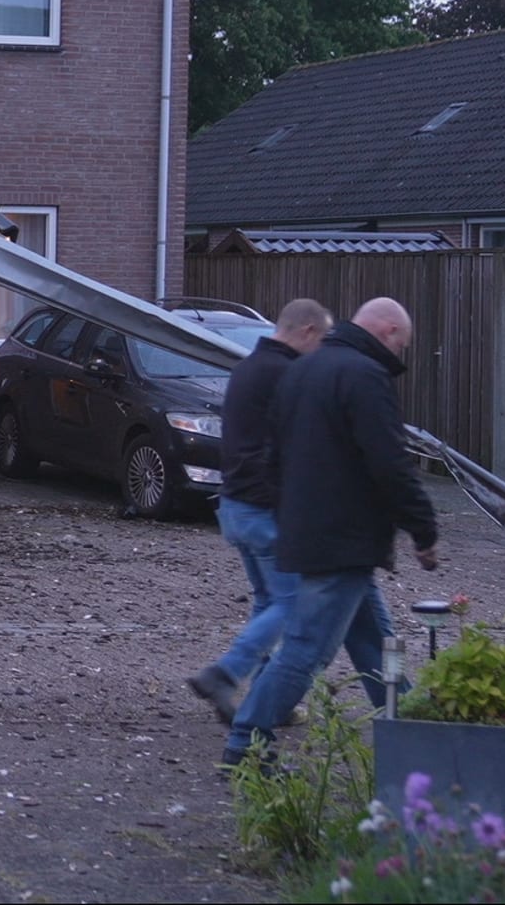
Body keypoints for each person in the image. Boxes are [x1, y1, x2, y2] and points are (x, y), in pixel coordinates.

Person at [220, 297, 441, 769]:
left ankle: (408, 730)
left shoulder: (300, 371)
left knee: (372, 641)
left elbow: (272, 455)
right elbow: (389, 461)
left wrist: (292, 514)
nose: (400, 352)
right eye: (401, 342)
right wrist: (423, 528)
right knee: (306, 648)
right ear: (386, 332)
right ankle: (245, 740)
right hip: (343, 540)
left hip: (314, 534)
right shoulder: (364, 376)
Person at [186, 298, 333, 724]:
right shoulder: (286, 374)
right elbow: (297, 448)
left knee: (269, 601)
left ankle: (264, 699)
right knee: (295, 604)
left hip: (235, 505)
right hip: (265, 508)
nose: (320, 350)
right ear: (306, 331)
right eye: (321, 340)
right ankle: (227, 672)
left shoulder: (248, 367)